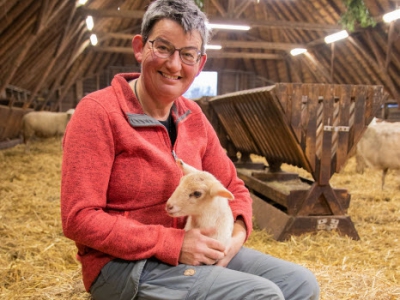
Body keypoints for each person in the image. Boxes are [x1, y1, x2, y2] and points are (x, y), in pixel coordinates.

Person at [60, 0, 320, 299]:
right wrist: (171, 244)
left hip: (197, 246)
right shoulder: (99, 113)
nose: (174, 64)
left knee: (301, 283)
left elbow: (234, 187)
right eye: (163, 48)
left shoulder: (192, 116)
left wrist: (232, 240)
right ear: (139, 47)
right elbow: (79, 218)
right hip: (123, 265)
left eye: (187, 54)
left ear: (200, 63)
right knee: (261, 295)